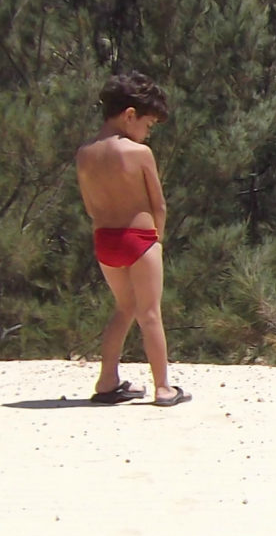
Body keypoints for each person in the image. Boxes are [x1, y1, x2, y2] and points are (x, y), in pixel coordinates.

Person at [74, 73, 189, 406]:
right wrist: (158, 241)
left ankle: (107, 381)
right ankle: (164, 387)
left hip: (104, 239)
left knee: (123, 308)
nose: (148, 131)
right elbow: (159, 204)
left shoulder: (84, 154)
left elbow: (88, 205)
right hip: (139, 238)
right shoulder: (139, 153)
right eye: (148, 123)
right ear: (129, 115)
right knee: (150, 313)